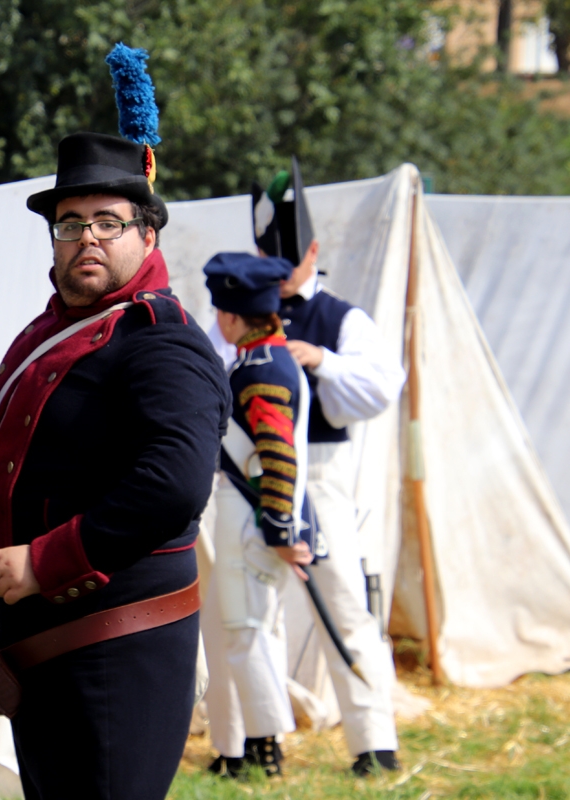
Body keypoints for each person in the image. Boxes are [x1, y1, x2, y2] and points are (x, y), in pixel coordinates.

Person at [0, 131, 230, 800]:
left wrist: (44, 562)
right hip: (44, 647)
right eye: (70, 224)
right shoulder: (46, 334)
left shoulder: (161, 340)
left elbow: (174, 484)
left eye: (108, 222)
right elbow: (18, 467)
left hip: (115, 651)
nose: (87, 237)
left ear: (147, 237)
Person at [211, 158, 406, 775]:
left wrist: (317, 360)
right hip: (246, 483)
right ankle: (246, 744)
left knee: (346, 608)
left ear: (313, 251)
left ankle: (374, 742)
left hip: (318, 473)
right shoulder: (240, 311)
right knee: (242, 618)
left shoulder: (342, 317)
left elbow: (380, 388)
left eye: (290, 260)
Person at [198, 252, 318, 779]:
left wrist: (280, 530)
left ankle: (265, 749)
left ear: (229, 316)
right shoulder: (265, 361)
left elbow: (278, 454)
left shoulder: (259, 369)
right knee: (253, 632)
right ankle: (260, 746)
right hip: (255, 516)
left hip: (250, 517)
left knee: (245, 634)